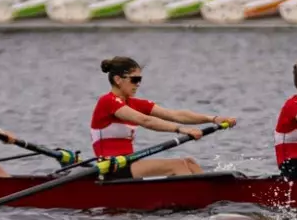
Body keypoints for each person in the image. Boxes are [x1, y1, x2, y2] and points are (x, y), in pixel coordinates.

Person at [91, 56, 235, 178]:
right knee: (177, 165)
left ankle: (214, 197)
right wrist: (182, 130)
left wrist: (213, 118)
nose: (138, 84)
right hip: (110, 168)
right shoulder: (107, 101)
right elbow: (145, 121)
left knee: (189, 162)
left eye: (139, 79)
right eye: (134, 80)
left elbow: (175, 114)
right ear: (118, 79)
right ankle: (196, 203)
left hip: (128, 164)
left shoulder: (134, 103)